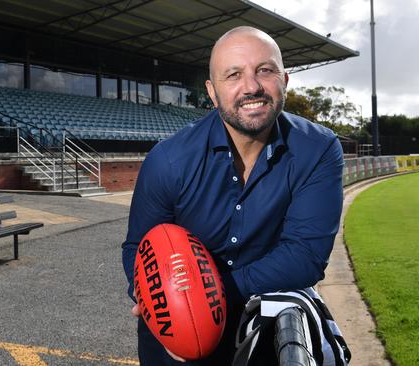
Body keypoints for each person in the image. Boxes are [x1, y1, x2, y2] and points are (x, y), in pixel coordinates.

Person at [121, 26, 344, 365]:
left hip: (261, 331)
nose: (251, 86)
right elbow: (138, 246)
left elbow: (305, 255)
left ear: (284, 79)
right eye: (233, 74)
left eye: (264, 70)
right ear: (212, 92)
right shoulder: (168, 161)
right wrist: (155, 297)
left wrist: (209, 295)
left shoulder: (319, 149)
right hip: (175, 343)